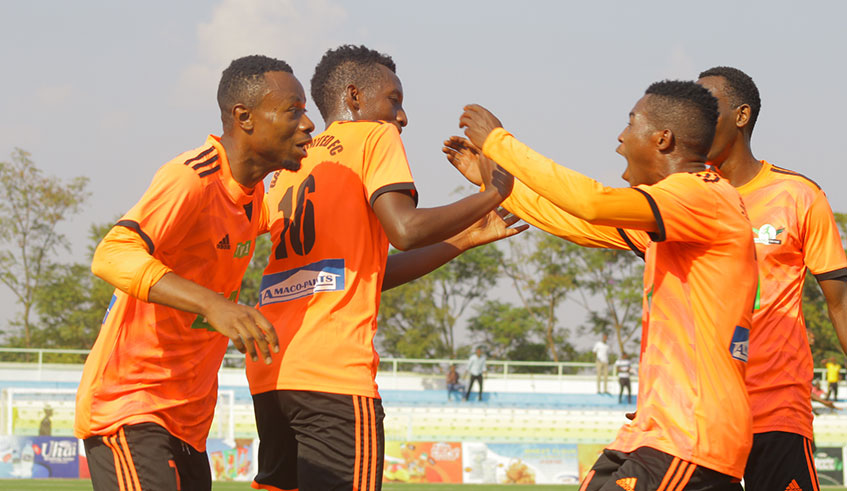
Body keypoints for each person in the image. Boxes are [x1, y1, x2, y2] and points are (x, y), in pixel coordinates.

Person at [446, 80, 757, 489]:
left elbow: (592, 203)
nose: (620, 137)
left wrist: (500, 143)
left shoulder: (698, 196)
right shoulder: (680, 209)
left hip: (690, 435)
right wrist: (498, 187)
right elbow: (578, 224)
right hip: (658, 432)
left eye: (631, 123)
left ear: (663, 139)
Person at [245, 45, 518, 491]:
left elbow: (365, 275)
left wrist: (467, 237)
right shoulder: (373, 136)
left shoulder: (294, 162)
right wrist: (492, 194)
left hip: (274, 373)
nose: (403, 117)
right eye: (394, 100)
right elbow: (405, 230)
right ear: (354, 97)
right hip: (333, 372)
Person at [74, 55, 313, 491]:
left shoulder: (254, 195)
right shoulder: (192, 177)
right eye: (293, 110)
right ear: (244, 117)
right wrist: (215, 304)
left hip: (188, 424)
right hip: (130, 408)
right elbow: (111, 254)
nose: (308, 123)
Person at [696, 66, 847, 491]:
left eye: (707, 109)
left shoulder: (799, 195)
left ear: (741, 116)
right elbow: (589, 211)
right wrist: (499, 188)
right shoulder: (682, 198)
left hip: (777, 406)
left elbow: (840, 302)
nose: (694, 119)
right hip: (703, 413)